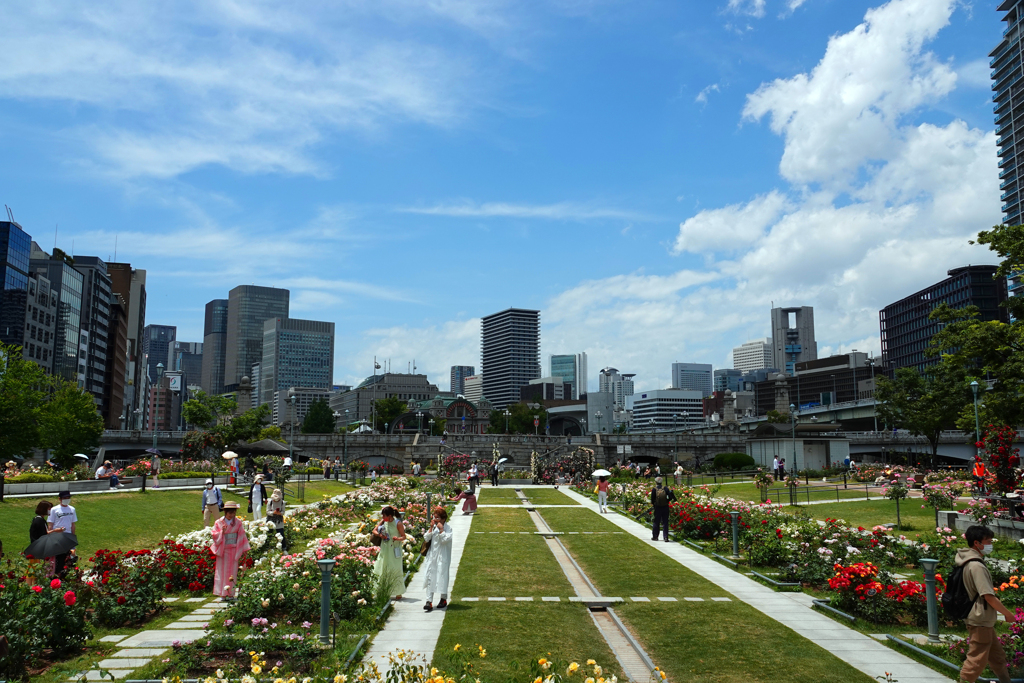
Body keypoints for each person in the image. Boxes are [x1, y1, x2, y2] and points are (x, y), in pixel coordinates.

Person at [957, 525, 1017, 683]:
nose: (991, 545)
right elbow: (988, 596)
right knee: (976, 660)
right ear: (977, 543)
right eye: (988, 542)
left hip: (982, 618)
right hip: (980, 618)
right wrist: (1007, 614)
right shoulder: (976, 566)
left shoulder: (968, 560)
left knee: (997, 656)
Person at [210, 501, 250, 598]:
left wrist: (244, 549)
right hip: (223, 550)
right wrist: (221, 532)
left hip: (234, 549)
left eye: (233, 513)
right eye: (230, 513)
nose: (232, 515)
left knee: (232, 572)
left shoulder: (238, 522)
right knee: (221, 572)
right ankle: (222, 594)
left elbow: (242, 535)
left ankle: (230, 594)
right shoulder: (219, 522)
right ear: (225, 512)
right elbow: (214, 534)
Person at [422, 506, 453, 612]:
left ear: (443, 519)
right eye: (434, 517)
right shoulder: (434, 528)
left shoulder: (448, 528)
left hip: (442, 557)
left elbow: (445, 540)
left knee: (442, 577)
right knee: (430, 577)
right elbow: (426, 538)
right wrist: (431, 528)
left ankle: (443, 599)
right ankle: (428, 601)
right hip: (432, 557)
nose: (435, 520)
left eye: (437, 518)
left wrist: (441, 530)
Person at [372, 506, 406, 600]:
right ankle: (380, 589)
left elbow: (404, 536)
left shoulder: (398, 523)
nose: (383, 518)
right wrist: (380, 535)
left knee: (395, 568)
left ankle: (398, 592)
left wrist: (397, 538)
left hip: (394, 549)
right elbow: (374, 530)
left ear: (390, 516)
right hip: (385, 548)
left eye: (384, 516)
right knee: (381, 566)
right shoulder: (384, 522)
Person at [47, 491, 77, 576]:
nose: (66, 500)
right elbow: (50, 524)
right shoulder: (54, 509)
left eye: (68, 498)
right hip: (57, 536)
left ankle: (65, 575)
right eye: (64, 498)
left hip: (68, 536)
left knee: (68, 557)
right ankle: (57, 574)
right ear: (59, 499)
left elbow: (73, 524)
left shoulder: (72, 509)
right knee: (58, 557)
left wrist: (73, 537)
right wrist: (50, 536)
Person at [650, 477, 677, 542]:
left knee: (656, 521)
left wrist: (654, 504)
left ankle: (655, 536)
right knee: (665, 522)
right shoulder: (665, 488)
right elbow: (670, 497)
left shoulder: (654, 489)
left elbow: (652, 499)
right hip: (665, 507)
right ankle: (665, 537)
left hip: (657, 507)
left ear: (656, 482)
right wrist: (667, 501)